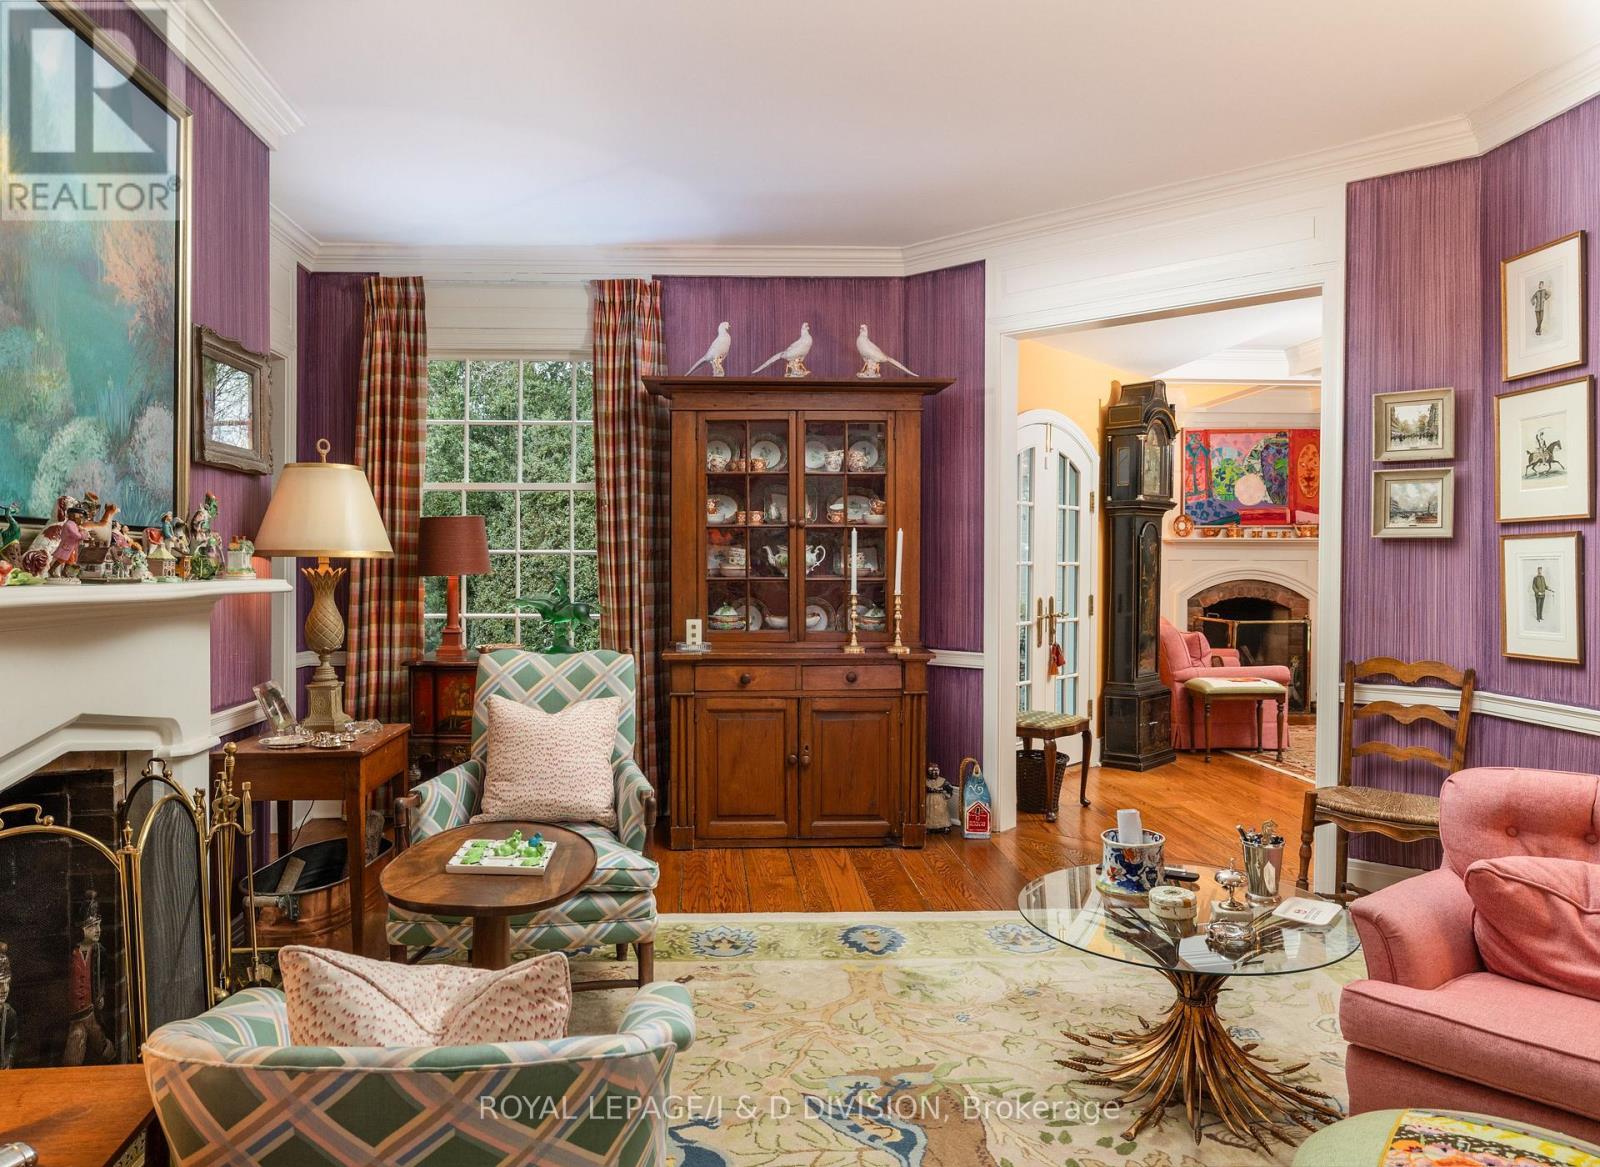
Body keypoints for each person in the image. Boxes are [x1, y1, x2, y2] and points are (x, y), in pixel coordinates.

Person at [63, 894, 115, 1065]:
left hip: (91, 1010)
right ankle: (110, 1056)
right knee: (85, 1036)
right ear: (82, 929)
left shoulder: (100, 952)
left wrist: (100, 994)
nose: (98, 930)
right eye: (93, 926)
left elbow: (103, 975)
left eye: (98, 925)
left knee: (88, 1036)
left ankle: (111, 1059)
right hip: (75, 1013)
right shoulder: (72, 953)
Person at [0, 941, 18, 1070]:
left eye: (6, 983)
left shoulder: (8, 1013)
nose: (4, 990)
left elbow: (11, 1040)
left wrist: (8, 1061)